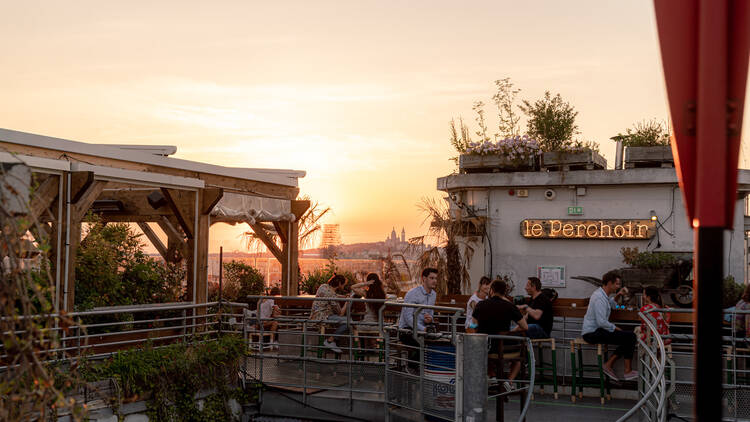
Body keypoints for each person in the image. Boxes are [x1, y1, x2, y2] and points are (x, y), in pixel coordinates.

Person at [581, 270, 637, 381]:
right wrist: (615, 328)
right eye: (617, 284)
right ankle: (626, 370)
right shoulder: (599, 298)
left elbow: (612, 305)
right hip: (591, 334)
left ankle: (610, 365)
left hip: (598, 331)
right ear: (610, 283)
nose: (618, 286)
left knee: (629, 337)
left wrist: (619, 295)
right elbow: (601, 321)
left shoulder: (603, 295)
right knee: (630, 337)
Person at [471, 280, 528, 389]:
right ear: (504, 292)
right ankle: (509, 381)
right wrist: (511, 332)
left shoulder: (481, 304)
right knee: (520, 357)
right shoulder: (510, 306)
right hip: (506, 348)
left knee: (483, 352)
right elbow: (525, 326)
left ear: (491, 290)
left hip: (486, 347)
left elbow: (473, 324)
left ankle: (492, 376)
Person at [397, 267, 438, 371]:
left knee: (439, 340)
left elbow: (430, 313)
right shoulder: (412, 293)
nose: (434, 281)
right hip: (406, 330)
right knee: (421, 343)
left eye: (436, 278)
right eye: (431, 278)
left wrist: (430, 319)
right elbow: (407, 317)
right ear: (424, 278)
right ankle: (412, 368)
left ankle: (428, 370)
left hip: (423, 330)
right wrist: (422, 329)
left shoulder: (433, 294)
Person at [310, 274, 350, 354]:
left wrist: (343, 297)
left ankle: (333, 341)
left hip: (314, 316)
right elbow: (340, 313)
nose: (344, 286)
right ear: (339, 284)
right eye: (343, 285)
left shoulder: (323, 286)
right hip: (323, 318)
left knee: (343, 321)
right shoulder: (332, 296)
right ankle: (330, 341)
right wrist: (347, 302)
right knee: (348, 321)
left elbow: (331, 294)